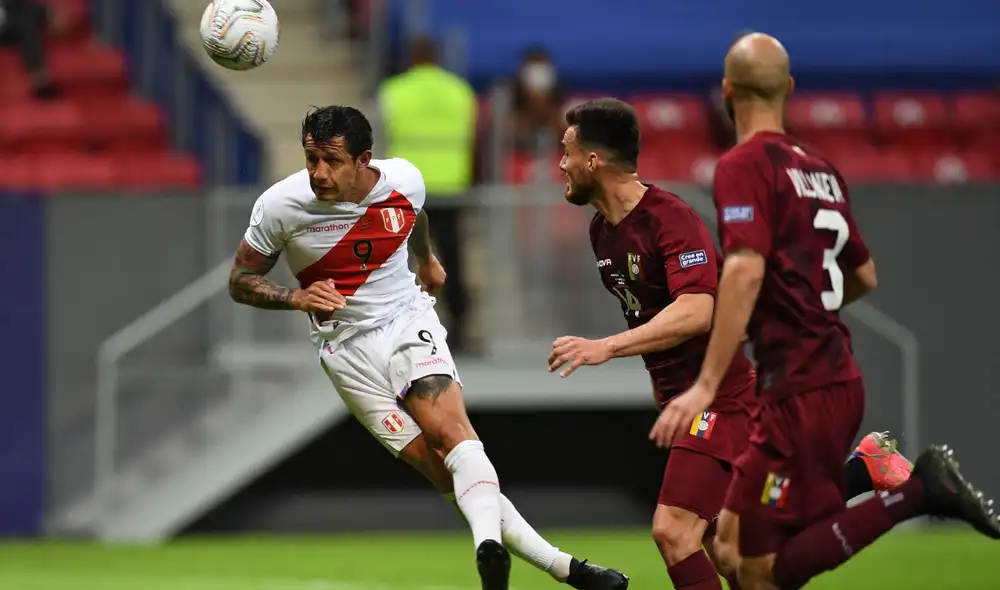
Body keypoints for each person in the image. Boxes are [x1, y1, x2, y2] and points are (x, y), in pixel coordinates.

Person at [228, 105, 629, 590]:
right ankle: (568, 570)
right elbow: (241, 280)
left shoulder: (403, 179)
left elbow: (411, 214)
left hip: (405, 321)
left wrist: (426, 259)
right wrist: (295, 297)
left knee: (451, 431)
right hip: (344, 353)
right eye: (311, 158)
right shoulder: (281, 205)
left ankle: (489, 549)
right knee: (444, 475)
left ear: (364, 159)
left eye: (332, 160)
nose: (318, 172)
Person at [654, 33, 1000, 590]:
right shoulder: (821, 168)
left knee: (760, 573)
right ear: (788, 89)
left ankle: (919, 492)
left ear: (726, 91)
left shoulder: (742, 164)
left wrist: (706, 383)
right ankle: (868, 472)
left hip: (800, 388)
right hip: (827, 374)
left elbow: (743, 271)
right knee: (726, 545)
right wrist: (805, 308)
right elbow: (864, 276)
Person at [547, 98, 912, 590]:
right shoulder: (601, 232)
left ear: (593, 160)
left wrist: (606, 347)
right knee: (733, 555)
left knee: (673, 531)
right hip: (684, 398)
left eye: (566, 151)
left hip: (722, 397)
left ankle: (861, 471)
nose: (560, 164)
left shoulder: (669, 219)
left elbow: (699, 310)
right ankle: (861, 471)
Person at [377, 36, 475, 353]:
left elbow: (382, 133)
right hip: (451, 184)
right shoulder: (461, 90)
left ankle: (400, 331)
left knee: (399, 262)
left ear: (411, 57)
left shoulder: (393, 91)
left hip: (407, 187)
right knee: (453, 260)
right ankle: (459, 331)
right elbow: (473, 136)